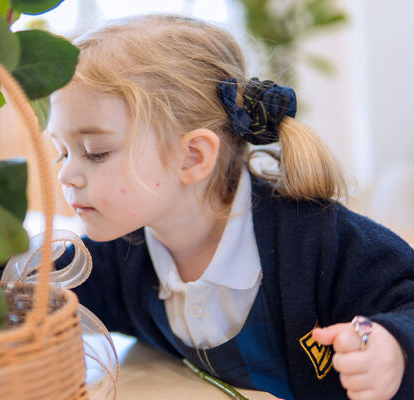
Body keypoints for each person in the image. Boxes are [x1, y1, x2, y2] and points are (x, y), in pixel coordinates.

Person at [44, 14, 414, 400]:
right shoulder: (122, 255)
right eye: (62, 152)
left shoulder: (323, 242)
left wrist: (395, 350)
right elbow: (42, 288)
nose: (66, 174)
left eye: (95, 153)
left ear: (192, 157)